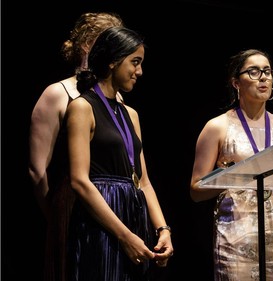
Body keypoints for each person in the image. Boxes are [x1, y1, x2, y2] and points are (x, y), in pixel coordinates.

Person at [65, 26, 173, 281]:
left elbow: (143, 181)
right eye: (135, 62)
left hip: (133, 213)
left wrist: (163, 229)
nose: (140, 71)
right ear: (113, 61)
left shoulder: (131, 114)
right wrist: (124, 235)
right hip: (103, 218)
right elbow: (79, 181)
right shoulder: (82, 107)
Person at [190, 48, 273, 280]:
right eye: (253, 72)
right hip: (236, 238)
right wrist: (231, 174)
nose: (263, 77)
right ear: (236, 82)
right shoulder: (217, 126)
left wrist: (269, 175)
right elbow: (196, 191)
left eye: (267, 71)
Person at [28, 12, 124, 281]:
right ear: (87, 45)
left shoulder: (118, 98)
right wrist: (58, 219)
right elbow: (37, 170)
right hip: (72, 207)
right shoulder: (58, 93)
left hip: (113, 206)